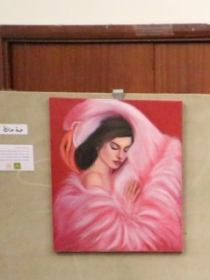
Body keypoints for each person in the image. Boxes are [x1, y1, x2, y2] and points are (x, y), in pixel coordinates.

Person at [53, 99, 183, 252]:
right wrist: (128, 204)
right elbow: (109, 234)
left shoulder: (113, 176)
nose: (120, 155)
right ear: (98, 144)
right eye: (114, 147)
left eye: (126, 149)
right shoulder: (93, 178)